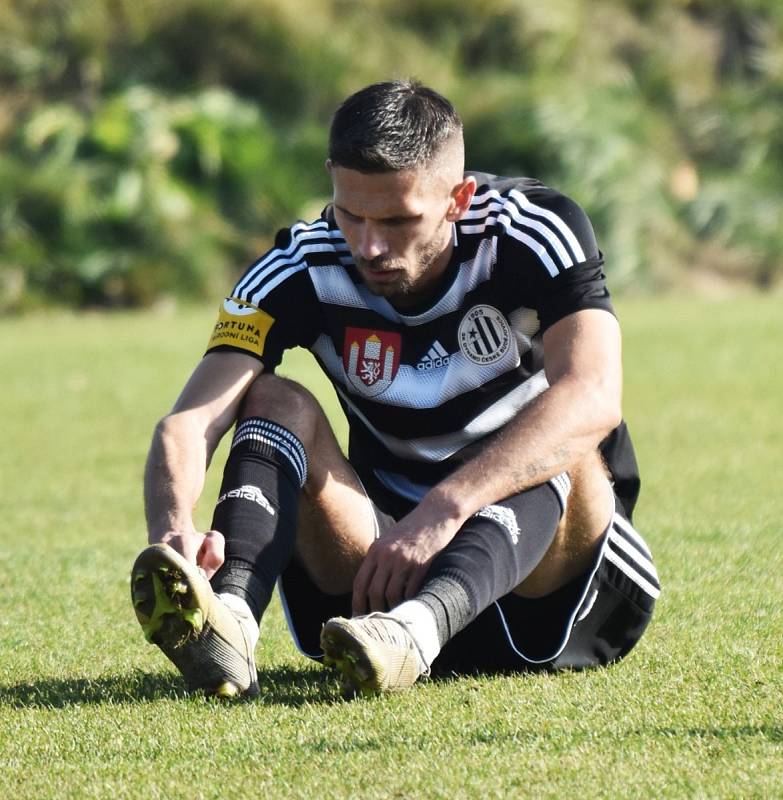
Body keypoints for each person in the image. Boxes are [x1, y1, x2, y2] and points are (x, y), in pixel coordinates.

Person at [131, 79, 659, 698]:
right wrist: (172, 532)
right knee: (274, 401)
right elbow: (189, 422)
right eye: (351, 214)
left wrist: (445, 509)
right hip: (382, 574)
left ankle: (418, 632)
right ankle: (230, 623)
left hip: (554, 583)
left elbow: (594, 394)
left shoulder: (534, 232)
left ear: (458, 198)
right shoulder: (300, 265)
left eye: (398, 220)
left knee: (560, 429)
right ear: (332, 178)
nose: (369, 245)